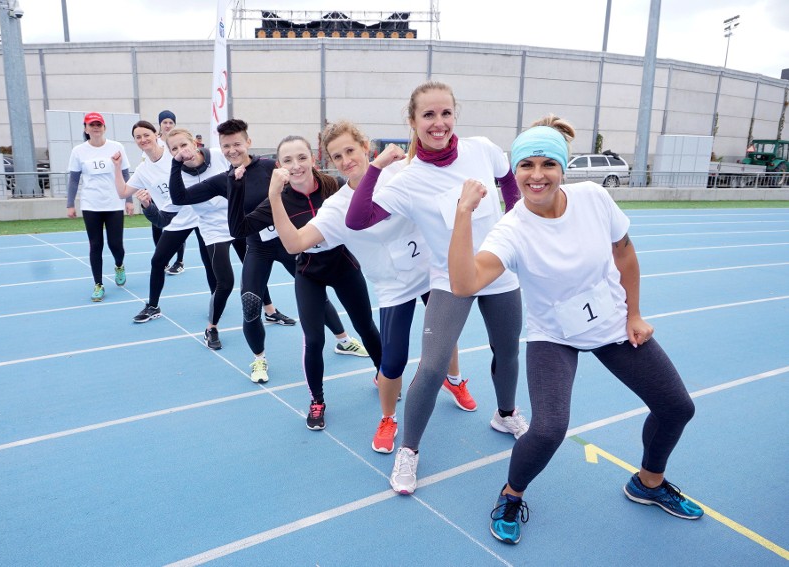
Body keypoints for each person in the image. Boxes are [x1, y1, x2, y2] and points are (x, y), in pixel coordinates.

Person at [449, 115, 702, 545]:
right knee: (548, 429)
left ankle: (649, 483)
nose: (537, 174)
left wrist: (635, 314)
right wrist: (462, 214)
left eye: (548, 164)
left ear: (563, 168)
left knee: (677, 407)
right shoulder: (512, 229)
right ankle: (512, 494)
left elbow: (625, 255)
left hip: (612, 324)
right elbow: (464, 283)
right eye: (526, 165)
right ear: (515, 171)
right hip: (555, 336)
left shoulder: (593, 198)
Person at [346, 81, 528, 495]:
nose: (439, 122)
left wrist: (519, 224)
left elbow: (507, 180)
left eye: (446, 113)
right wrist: (375, 167)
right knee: (431, 366)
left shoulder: (482, 148)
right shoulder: (408, 180)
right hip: (450, 278)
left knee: (508, 349)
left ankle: (505, 413)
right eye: (428, 115)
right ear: (412, 122)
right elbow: (357, 220)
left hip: (500, 269)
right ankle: (408, 451)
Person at [269, 120, 467, 453]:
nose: (346, 160)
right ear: (329, 160)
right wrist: (275, 196)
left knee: (446, 334)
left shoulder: (399, 173)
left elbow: (438, 158)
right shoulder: (338, 207)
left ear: (365, 147)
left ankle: (455, 380)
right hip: (394, 288)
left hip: (431, 272)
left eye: (351, 150)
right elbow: (294, 244)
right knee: (391, 362)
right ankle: (388, 418)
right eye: (337, 155)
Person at [170, 118, 363, 385]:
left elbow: (306, 180)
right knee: (250, 304)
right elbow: (179, 198)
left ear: (248, 142)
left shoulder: (273, 167)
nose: (232, 150)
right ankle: (259, 358)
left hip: (290, 244)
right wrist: (176, 162)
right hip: (257, 249)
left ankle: (343, 340)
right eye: (226, 146)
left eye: (237, 143)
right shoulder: (224, 180)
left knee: (316, 295)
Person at [236, 134, 382, 429]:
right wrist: (235, 185)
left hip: (344, 265)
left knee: (365, 325)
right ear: (279, 166)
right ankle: (317, 401)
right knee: (314, 339)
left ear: (314, 159)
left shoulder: (335, 187)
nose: (296, 165)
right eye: (288, 160)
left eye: (302, 157)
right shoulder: (277, 199)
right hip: (308, 272)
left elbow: (369, 195)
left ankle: (385, 376)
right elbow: (239, 227)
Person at [111, 120, 215, 323]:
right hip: (175, 220)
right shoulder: (143, 170)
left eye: (146, 135)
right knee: (158, 261)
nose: (143, 139)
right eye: (138, 137)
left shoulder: (173, 153)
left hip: (200, 215)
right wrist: (116, 167)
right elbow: (123, 192)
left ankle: (215, 302)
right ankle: (153, 306)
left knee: (210, 263)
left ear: (156, 135)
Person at [165, 128, 236, 350]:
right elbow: (176, 201)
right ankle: (211, 328)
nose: (181, 151)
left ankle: (270, 310)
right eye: (174, 149)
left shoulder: (217, 155)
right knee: (225, 282)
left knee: (257, 269)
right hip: (212, 228)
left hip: (238, 220)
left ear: (195, 144)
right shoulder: (177, 175)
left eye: (183, 145)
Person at [66, 112, 132, 302]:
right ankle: (98, 284)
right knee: (96, 245)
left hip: (114, 203)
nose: (95, 128)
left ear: (104, 127)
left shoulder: (116, 147)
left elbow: (126, 174)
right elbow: (74, 180)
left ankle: (119, 265)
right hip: (90, 204)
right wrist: (70, 204)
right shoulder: (78, 151)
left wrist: (128, 200)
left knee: (116, 245)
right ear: (86, 129)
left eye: (99, 124)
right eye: (91, 125)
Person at [154, 110, 186, 275]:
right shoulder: (154, 142)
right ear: (159, 124)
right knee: (157, 226)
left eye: (170, 122)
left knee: (178, 225)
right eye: (164, 122)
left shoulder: (178, 141)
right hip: (158, 192)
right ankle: (163, 258)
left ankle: (179, 261)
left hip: (175, 189)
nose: (167, 125)